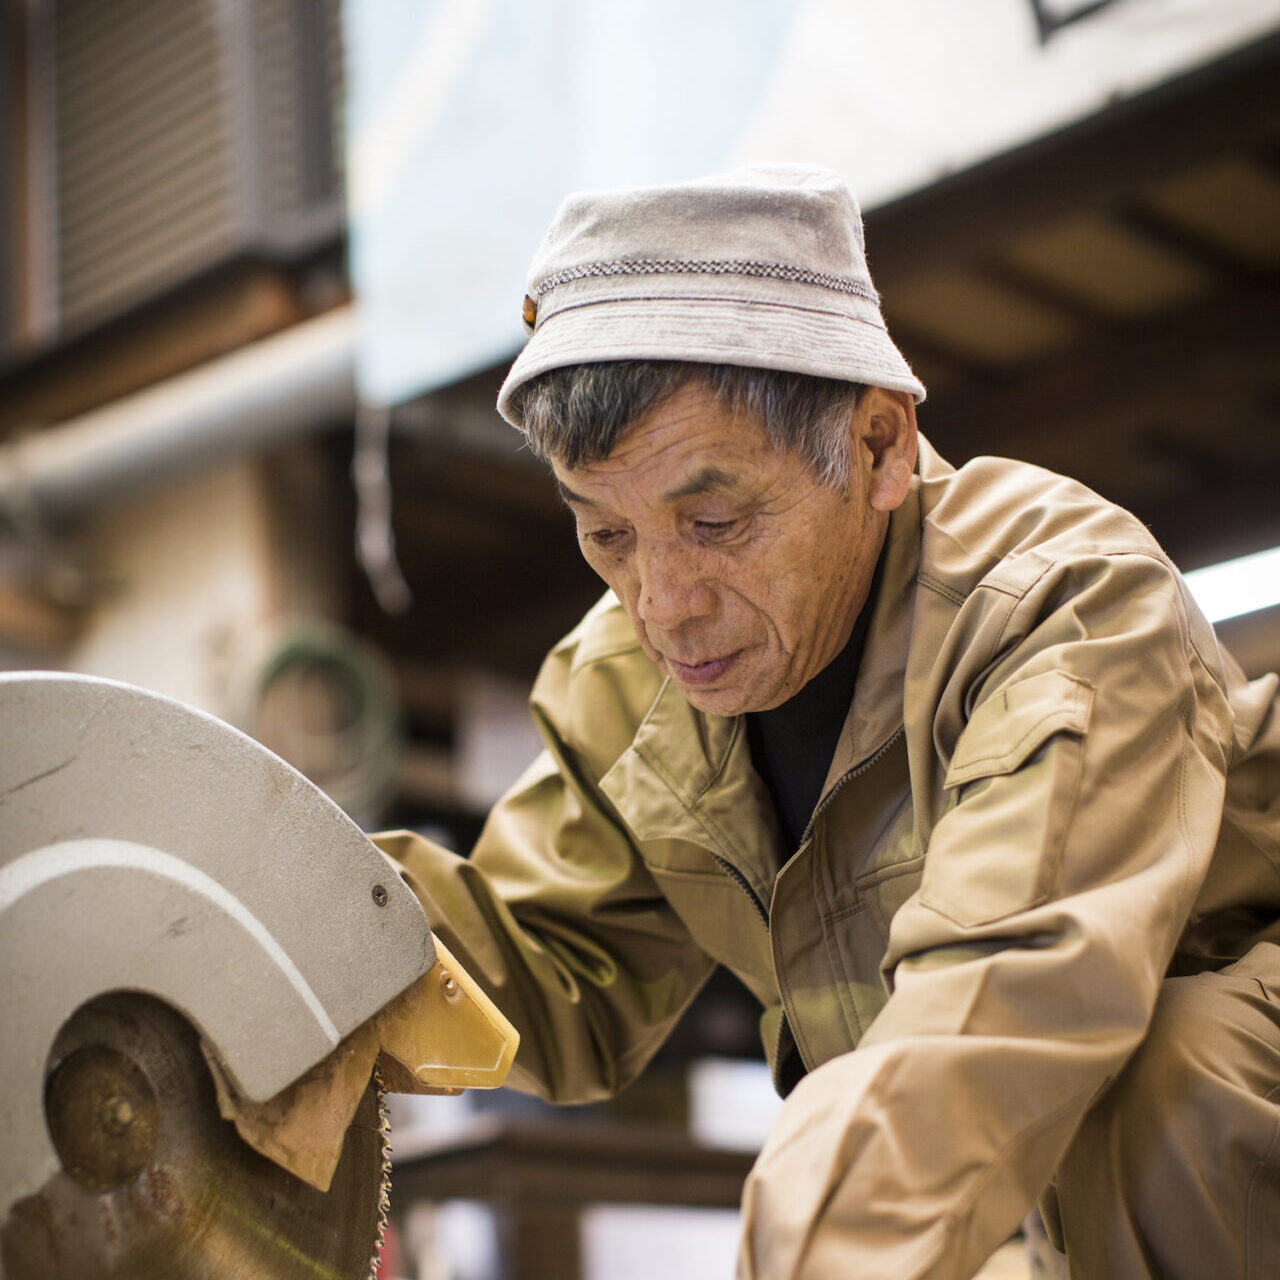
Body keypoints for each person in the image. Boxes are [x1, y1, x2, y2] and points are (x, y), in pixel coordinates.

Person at [374, 164, 1280, 1280]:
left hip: (1195, 1135)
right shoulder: (623, 684)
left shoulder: (1058, 604)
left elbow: (1004, 993)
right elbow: (535, 960)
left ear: (878, 445)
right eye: (605, 533)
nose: (662, 605)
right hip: (1000, 1178)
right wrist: (263, 938)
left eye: (712, 518)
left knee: (1172, 1093)